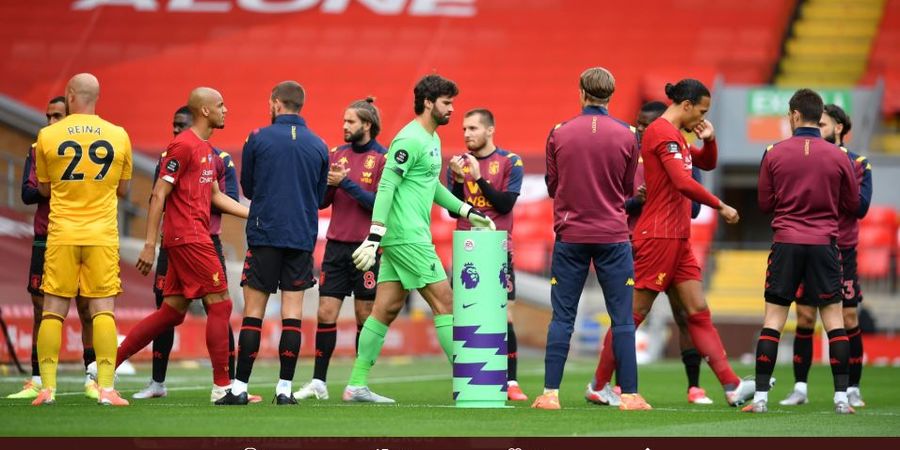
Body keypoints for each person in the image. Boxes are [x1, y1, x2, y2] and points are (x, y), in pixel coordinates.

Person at [588, 79, 756, 407]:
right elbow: (682, 181)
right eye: (702, 112)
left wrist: (710, 140)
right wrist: (720, 205)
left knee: (698, 311)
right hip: (658, 237)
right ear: (687, 105)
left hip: (678, 238)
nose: (703, 119)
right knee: (632, 315)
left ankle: (732, 386)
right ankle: (598, 384)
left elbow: (705, 163)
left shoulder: (676, 135)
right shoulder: (662, 132)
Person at [343, 74, 495, 404]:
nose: (452, 109)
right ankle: (474, 383)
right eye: (446, 102)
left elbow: (432, 186)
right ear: (428, 103)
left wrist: (468, 211)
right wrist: (375, 233)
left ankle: (356, 384)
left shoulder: (432, 139)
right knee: (446, 302)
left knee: (385, 309)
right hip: (407, 236)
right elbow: (386, 186)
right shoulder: (409, 139)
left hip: (405, 236)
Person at [115, 87, 249, 403]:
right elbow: (158, 194)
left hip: (190, 237)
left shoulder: (206, 149)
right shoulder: (182, 146)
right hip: (189, 237)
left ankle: (105, 367)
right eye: (220, 105)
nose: (226, 109)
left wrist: (254, 215)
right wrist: (149, 244)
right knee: (221, 304)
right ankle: (222, 388)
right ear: (204, 111)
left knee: (171, 312)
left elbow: (215, 196)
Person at [533, 67, 646, 410]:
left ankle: (550, 394)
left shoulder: (559, 133)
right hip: (613, 235)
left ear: (581, 92)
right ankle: (630, 396)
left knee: (562, 317)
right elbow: (627, 189)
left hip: (571, 235)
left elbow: (553, 187)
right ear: (611, 95)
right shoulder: (628, 134)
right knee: (623, 318)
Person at [742, 93, 862, 414]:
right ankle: (840, 399)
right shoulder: (840, 156)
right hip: (824, 244)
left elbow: (765, 205)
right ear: (817, 115)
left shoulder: (774, 153)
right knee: (834, 320)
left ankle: (761, 399)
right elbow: (852, 204)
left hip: (786, 243)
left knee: (774, 321)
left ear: (794, 115)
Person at [216, 81, 329, 405]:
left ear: (276, 103)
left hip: (265, 233)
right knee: (292, 316)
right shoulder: (319, 144)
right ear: (300, 105)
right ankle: (284, 390)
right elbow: (321, 198)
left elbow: (248, 187)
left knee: (254, 314)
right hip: (301, 236)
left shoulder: (257, 137)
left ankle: (239, 389)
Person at [32, 73, 133, 406]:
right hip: (102, 235)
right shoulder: (119, 135)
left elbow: (44, 189)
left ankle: (47, 388)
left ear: (71, 95)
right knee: (103, 310)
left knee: (52, 310)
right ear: (97, 97)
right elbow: (123, 190)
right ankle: (106, 388)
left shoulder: (47, 135)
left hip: (62, 233)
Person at [608, 100, 714, 405]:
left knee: (685, 316)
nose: (641, 129)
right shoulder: (627, 156)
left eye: (646, 124)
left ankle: (694, 387)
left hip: (674, 244)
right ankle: (615, 384)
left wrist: (662, 195)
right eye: (639, 123)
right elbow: (613, 207)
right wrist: (638, 202)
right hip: (636, 246)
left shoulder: (682, 153)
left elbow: (693, 208)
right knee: (629, 316)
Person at [294, 98, 387, 401]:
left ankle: (357, 383)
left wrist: (345, 183)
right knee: (325, 312)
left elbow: (378, 205)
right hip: (335, 246)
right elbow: (322, 202)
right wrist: (330, 184)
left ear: (367, 125)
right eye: (344, 121)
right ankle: (319, 381)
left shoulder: (383, 159)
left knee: (364, 315)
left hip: (367, 248)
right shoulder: (336, 154)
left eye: (351, 122)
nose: (344, 126)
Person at [780, 104, 872, 408]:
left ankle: (852, 388)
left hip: (841, 249)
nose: (817, 130)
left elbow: (859, 207)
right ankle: (800, 388)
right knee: (804, 318)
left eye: (823, 124)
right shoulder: (809, 158)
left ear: (839, 129)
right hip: (809, 245)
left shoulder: (858, 163)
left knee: (847, 317)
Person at [7, 96, 99, 401]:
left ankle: (92, 378)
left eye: (57, 116)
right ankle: (38, 380)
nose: (50, 122)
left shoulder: (87, 148)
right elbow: (27, 193)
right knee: (40, 310)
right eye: (48, 116)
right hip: (46, 236)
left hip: (81, 234)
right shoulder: (39, 148)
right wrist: (57, 184)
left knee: (88, 308)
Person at [446, 108, 528, 401]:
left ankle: (512, 381)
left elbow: (505, 204)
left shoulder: (510, 161)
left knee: (504, 315)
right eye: (464, 129)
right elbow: (451, 207)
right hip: (467, 249)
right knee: (464, 315)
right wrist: (457, 180)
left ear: (490, 130)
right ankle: (470, 377)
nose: (467, 134)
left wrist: (478, 179)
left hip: (498, 249)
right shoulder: (456, 164)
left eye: (473, 128)